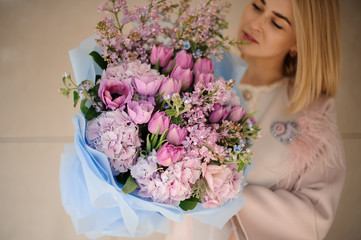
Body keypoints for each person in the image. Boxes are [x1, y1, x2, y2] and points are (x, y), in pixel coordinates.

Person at [166, 0, 345, 239]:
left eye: (276, 23)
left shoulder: (313, 114)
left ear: (299, 43)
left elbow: (313, 216)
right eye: (257, 7)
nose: (256, 24)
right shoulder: (193, 79)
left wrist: (227, 192)